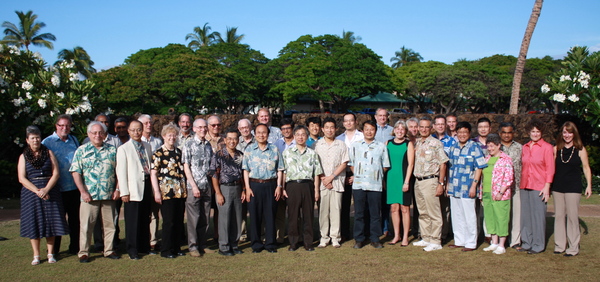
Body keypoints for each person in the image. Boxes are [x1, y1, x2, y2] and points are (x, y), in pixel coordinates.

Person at [70, 121, 120, 263]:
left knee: (110, 224)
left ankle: (109, 250)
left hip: (109, 195)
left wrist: (117, 189)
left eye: (100, 133)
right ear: (88, 134)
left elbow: (119, 172)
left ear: (105, 135)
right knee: (86, 225)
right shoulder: (81, 150)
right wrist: (82, 191)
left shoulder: (112, 150)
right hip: (89, 196)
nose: (97, 135)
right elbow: (75, 172)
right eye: (94, 133)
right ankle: (84, 252)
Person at [18, 125, 69, 265]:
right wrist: (37, 191)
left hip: (50, 190)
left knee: (50, 222)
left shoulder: (48, 153)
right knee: (34, 223)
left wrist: (46, 190)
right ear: (27, 140)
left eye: (38, 138)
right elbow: (22, 178)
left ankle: (51, 253)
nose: (36, 141)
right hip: (31, 193)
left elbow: (56, 173)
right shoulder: (23, 156)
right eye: (33, 138)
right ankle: (36, 255)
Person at [242, 123, 285, 253]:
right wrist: (247, 188)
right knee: (255, 216)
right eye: (259, 132)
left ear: (268, 134)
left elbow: (280, 169)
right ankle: (256, 244)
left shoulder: (274, 149)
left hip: (271, 185)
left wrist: (279, 186)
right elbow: (245, 170)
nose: (261, 135)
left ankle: (270, 243)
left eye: (264, 132)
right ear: (255, 134)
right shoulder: (249, 150)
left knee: (270, 215)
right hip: (254, 185)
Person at [41, 114, 80, 255]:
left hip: (74, 187)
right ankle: (54, 250)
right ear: (56, 126)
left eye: (67, 125)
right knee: (57, 220)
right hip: (56, 189)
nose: (64, 128)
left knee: (75, 220)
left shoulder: (74, 140)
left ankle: (75, 247)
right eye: (61, 125)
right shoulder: (47, 142)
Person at [552, 122, 592, 257]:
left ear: (574, 133)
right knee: (559, 216)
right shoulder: (556, 148)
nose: (567, 135)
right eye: (564, 132)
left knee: (572, 217)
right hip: (558, 187)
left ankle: (573, 247)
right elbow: (550, 168)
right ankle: (559, 245)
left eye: (569, 132)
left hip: (573, 188)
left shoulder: (580, 149)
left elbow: (586, 168)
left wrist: (589, 185)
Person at [116, 120, 154, 260]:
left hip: (146, 185)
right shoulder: (123, 149)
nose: (136, 132)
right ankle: (132, 249)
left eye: (139, 130)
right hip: (132, 190)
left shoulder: (147, 146)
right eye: (133, 130)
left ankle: (144, 246)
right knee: (133, 221)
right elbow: (121, 172)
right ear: (129, 131)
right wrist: (124, 191)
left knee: (145, 218)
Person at [446, 122, 487, 252]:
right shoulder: (453, 147)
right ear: (456, 133)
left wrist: (474, 186)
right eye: (460, 132)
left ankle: (471, 242)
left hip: (468, 187)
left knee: (469, 215)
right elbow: (449, 167)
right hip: (454, 186)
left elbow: (479, 168)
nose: (462, 135)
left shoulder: (475, 147)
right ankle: (459, 240)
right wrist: (447, 184)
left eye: (465, 132)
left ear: (469, 133)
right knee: (457, 215)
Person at [349, 120, 390, 249]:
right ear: (362, 130)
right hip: (359, 185)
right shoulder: (355, 145)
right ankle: (359, 239)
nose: (369, 131)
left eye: (372, 129)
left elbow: (385, 165)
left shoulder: (381, 146)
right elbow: (351, 164)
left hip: (375, 185)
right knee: (359, 213)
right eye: (366, 129)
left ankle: (375, 238)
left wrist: (376, 174)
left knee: (375, 213)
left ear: (375, 131)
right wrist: (359, 174)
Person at [282, 125, 323, 251]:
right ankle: (294, 241)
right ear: (294, 136)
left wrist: (316, 190)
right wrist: (282, 188)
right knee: (293, 215)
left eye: (303, 134)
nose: (300, 137)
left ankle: (308, 242)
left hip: (307, 185)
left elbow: (316, 173)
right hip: (292, 186)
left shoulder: (312, 153)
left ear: (307, 136)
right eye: (298, 134)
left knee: (308, 215)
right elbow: (283, 172)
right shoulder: (287, 153)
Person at [150, 123, 187, 259]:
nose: (172, 137)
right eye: (169, 135)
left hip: (179, 191)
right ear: (164, 136)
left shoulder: (178, 152)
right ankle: (166, 250)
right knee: (168, 221)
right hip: (166, 192)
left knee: (178, 221)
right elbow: (154, 173)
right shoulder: (158, 153)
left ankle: (176, 248)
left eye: (174, 135)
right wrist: (157, 192)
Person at [412, 116, 448, 252]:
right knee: (423, 212)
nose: (424, 129)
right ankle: (426, 237)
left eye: (427, 127)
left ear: (431, 128)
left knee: (434, 213)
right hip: (418, 181)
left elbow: (443, 163)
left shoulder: (436, 143)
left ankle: (435, 240)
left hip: (431, 180)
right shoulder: (418, 143)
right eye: (421, 127)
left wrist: (441, 183)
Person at [519, 118, 555, 254]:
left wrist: (547, 186)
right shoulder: (525, 147)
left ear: (542, 133)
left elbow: (550, 168)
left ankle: (538, 244)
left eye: (537, 131)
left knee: (538, 216)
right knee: (526, 216)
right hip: (524, 184)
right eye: (533, 131)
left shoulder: (547, 147)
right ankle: (527, 242)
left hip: (539, 185)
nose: (535, 134)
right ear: (529, 132)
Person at [314, 117, 348, 248]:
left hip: (337, 182)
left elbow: (344, 163)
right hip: (322, 183)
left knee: (336, 211)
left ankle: (335, 237)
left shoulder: (341, 145)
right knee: (323, 211)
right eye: (326, 127)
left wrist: (332, 177)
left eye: (332, 127)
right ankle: (324, 237)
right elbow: (315, 164)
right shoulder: (316, 145)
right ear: (322, 129)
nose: (329, 130)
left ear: (336, 129)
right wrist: (324, 178)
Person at [210, 128, 245, 256]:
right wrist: (218, 193)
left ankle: (234, 244)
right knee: (224, 218)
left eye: (235, 138)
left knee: (237, 217)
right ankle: (224, 247)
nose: (232, 141)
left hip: (238, 188)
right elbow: (214, 175)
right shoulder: (218, 155)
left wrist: (244, 190)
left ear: (238, 140)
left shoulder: (240, 155)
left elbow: (244, 173)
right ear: (225, 140)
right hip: (224, 188)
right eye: (229, 138)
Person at [182, 118, 213, 257]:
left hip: (207, 185)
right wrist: (193, 186)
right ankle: (193, 246)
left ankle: (202, 243)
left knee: (205, 217)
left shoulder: (208, 145)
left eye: (204, 127)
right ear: (194, 129)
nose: (203, 129)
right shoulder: (188, 144)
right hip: (193, 186)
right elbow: (186, 166)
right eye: (200, 127)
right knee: (194, 218)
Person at [481, 134, 514, 255]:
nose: (490, 148)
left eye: (492, 146)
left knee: (501, 218)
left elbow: (508, 178)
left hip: (500, 194)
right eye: (488, 146)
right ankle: (494, 242)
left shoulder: (506, 159)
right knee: (490, 218)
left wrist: (501, 191)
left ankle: (501, 244)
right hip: (487, 193)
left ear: (498, 145)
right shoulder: (486, 159)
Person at [386, 120, 414, 246]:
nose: (400, 131)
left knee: (405, 209)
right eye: (398, 128)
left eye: (402, 129)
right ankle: (396, 235)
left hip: (403, 179)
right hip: (391, 179)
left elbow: (411, 164)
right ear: (394, 130)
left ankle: (405, 237)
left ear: (405, 131)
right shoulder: (388, 143)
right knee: (394, 208)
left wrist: (407, 181)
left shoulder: (408, 144)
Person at [336, 113, 364, 242]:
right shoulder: (339, 139)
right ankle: (344, 233)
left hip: (361, 175)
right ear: (343, 123)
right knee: (344, 206)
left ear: (355, 122)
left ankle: (362, 233)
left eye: (351, 121)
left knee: (360, 207)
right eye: (346, 121)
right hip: (343, 174)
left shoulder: (363, 136)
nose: (348, 123)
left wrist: (356, 175)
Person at [138, 114, 163, 252]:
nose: (149, 125)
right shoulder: (136, 141)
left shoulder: (157, 142)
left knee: (154, 212)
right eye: (146, 123)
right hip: (142, 181)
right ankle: (143, 239)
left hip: (156, 181)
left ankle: (153, 240)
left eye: (150, 122)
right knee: (143, 213)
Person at [498, 122, 523, 249]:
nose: (507, 135)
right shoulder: (496, 147)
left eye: (509, 132)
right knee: (502, 215)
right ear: (500, 133)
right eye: (504, 132)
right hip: (499, 189)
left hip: (516, 186)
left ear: (513, 133)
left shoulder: (520, 148)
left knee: (516, 215)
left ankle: (515, 241)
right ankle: (501, 239)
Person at [432, 115, 456, 244]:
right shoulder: (429, 140)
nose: (440, 126)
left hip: (446, 178)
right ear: (434, 126)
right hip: (431, 178)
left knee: (445, 208)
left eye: (443, 124)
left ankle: (443, 234)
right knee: (432, 207)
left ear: (445, 125)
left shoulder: (452, 142)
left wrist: (447, 182)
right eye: (438, 124)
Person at [374, 108, 394, 237]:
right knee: (374, 201)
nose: (382, 118)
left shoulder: (392, 130)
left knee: (386, 201)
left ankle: (386, 228)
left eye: (384, 116)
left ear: (387, 117)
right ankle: (374, 228)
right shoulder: (370, 130)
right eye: (379, 115)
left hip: (388, 169)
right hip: (373, 170)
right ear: (375, 117)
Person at [236, 118, 254, 242]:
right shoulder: (236, 142)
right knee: (241, 209)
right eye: (242, 128)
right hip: (240, 180)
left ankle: (255, 233)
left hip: (254, 179)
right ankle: (242, 234)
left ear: (250, 127)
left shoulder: (257, 140)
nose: (245, 130)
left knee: (255, 208)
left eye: (246, 127)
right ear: (239, 129)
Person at [406, 116, 420, 239]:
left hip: (418, 176)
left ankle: (417, 230)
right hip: (405, 177)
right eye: (411, 127)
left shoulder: (421, 141)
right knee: (404, 205)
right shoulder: (403, 141)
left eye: (416, 127)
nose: (414, 129)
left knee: (418, 205)